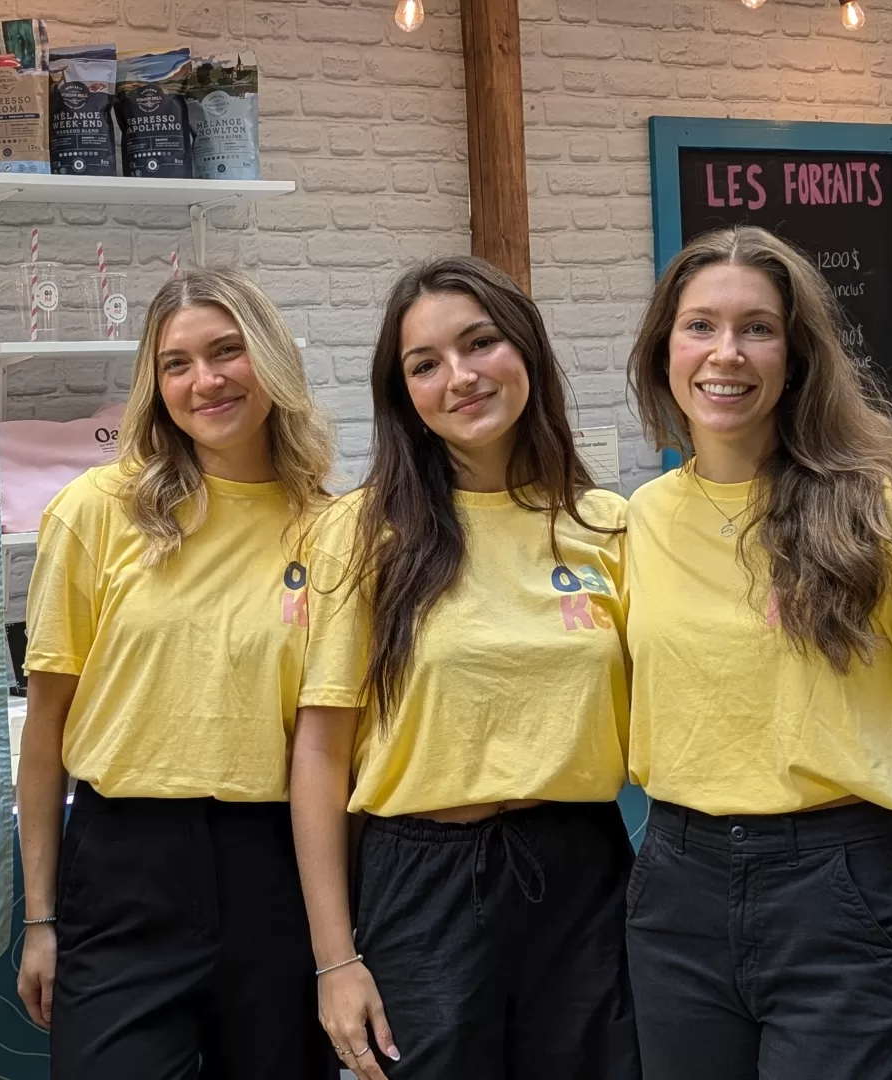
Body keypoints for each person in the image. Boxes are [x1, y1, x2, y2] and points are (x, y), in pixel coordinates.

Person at [621, 225, 892, 1080]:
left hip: (836, 891)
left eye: (757, 328)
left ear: (797, 356)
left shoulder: (886, 510)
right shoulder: (640, 520)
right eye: (700, 326)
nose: (726, 353)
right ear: (663, 350)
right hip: (675, 886)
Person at [290, 255, 641, 1080]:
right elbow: (321, 752)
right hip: (421, 885)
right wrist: (335, 959)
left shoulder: (610, 525)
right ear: (403, 394)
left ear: (526, 348)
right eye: (425, 364)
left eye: (480, 343)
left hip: (585, 876)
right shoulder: (360, 533)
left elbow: (686, 694)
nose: (460, 377)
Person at [14, 267, 336, 1079]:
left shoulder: (331, 530)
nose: (206, 381)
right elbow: (45, 730)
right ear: (155, 387)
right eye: (177, 364)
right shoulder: (96, 511)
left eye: (227, 351)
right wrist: (41, 920)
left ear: (271, 357)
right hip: (123, 868)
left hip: (276, 870)